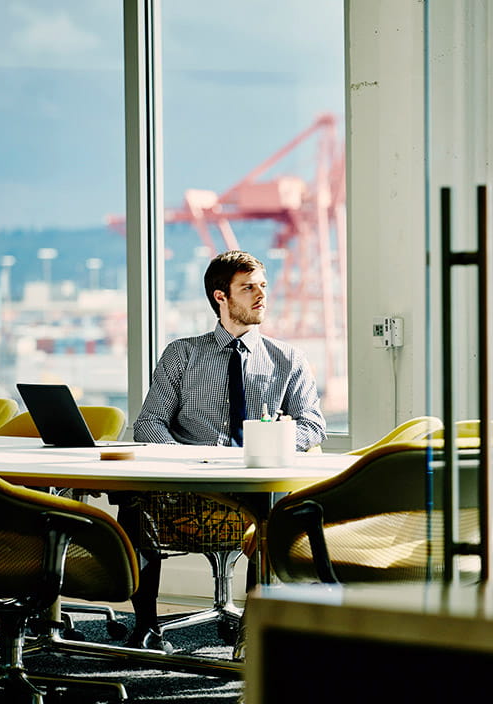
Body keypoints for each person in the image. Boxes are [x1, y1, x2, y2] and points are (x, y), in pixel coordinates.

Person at [121, 249, 326, 652]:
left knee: (276, 502)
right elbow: (148, 424)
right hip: (182, 489)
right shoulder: (182, 354)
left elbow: (313, 424)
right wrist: (188, 462)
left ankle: (255, 622)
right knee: (134, 500)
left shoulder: (288, 359)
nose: (261, 295)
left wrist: (267, 446)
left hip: (252, 487)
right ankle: (146, 625)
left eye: (263, 286)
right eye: (248, 288)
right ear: (221, 297)